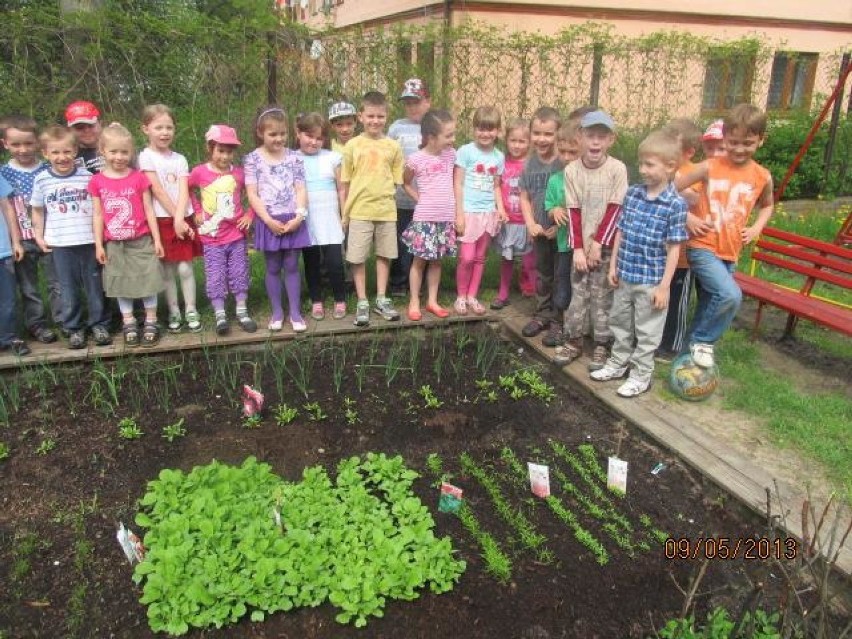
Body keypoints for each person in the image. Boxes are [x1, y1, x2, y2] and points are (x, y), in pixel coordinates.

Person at [589, 130, 688, 397]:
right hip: (625, 274)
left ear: (670, 167)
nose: (642, 169)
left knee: (647, 331)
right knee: (619, 322)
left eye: (649, 164)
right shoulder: (633, 194)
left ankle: (641, 375)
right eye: (641, 163)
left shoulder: (675, 204)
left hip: (651, 280)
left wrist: (664, 286)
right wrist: (613, 267)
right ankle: (618, 363)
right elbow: (620, 231)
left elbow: (674, 248)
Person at [675, 104, 774, 369]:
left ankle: (687, 358)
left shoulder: (762, 176)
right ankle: (703, 342)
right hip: (703, 246)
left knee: (710, 304)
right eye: (733, 142)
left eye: (748, 143)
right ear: (725, 139)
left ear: (761, 140)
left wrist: (756, 228)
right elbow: (668, 192)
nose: (739, 149)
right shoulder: (709, 167)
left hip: (731, 252)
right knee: (730, 295)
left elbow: (768, 205)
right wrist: (687, 217)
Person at [555, 109, 628, 370]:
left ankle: (601, 344)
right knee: (578, 295)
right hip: (580, 246)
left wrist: (598, 244)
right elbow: (573, 211)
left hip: (605, 247)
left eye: (602, 136)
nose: (595, 142)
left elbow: (615, 210)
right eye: (590, 136)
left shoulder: (617, 169)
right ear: (580, 137)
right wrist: (577, 249)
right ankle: (573, 340)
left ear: (611, 140)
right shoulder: (572, 170)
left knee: (602, 296)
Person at [30, 125, 110, 350]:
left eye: (66, 151)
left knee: (95, 285)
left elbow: (98, 209)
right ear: (45, 153)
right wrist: (39, 235)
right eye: (55, 152)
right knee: (67, 288)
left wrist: (99, 238)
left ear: (75, 151)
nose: (61, 157)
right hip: (61, 244)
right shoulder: (42, 180)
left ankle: (99, 323)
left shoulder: (88, 177)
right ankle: (74, 328)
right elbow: (37, 210)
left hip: (88, 241)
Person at [89, 124, 165, 348]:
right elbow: (98, 213)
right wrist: (98, 245)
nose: (119, 157)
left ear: (131, 153)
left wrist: (157, 239)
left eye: (124, 152)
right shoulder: (97, 181)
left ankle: (151, 320)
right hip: (115, 243)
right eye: (113, 151)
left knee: (148, 279)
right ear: (102, 151)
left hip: (141, 240)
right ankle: (129, 321)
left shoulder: (138, 178)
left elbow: (149, 209)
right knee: (121, 283)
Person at [244, 105, 311, 333]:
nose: (279, 138)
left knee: (292, 265)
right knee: (273, 266)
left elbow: (301, 188)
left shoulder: (294, 158)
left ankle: (295, 311)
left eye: (282, 133)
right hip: (268, 220)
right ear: (260, 133)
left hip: (292, 219)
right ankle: (277, 312)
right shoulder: (252, 159)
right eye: (273, 134)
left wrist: (299, 216)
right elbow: (252, 193)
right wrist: (267, 220)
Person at [341, 91, 404, 327]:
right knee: (357, 257)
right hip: (359, 211)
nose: (375, 121)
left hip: (386, 211)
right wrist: (344, 213)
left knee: (384, 254)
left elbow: (396, 180)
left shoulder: (393, 146)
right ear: (361, 116)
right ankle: (362, 301)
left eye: (380, 116)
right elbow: (346, 182)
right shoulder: (352, 146)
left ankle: (380, 298)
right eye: (370, 116)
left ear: (386, 116)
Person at [188, 124, 257, 336]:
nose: (225, 156)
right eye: (220, 151)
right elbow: (187, 189)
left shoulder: (239, 174)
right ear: (210, 148)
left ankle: (242, 310)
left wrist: (249, 215)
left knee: (239, 271)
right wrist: (196, 210)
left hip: (236, 234)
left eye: (229, 152)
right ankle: (220, 314)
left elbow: (255, 193)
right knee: (215, 275)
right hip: (212, 236)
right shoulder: (199, 172)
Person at [139, 104, 202, 333]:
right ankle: (174, 310)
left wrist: (181, 218)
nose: (164, 132)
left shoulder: (180, 159)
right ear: (145, 129)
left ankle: (191, 309)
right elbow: (157, 189)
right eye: (158, 127)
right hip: (162, 220)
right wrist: (176, 219)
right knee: (167, 270)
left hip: (182, 217)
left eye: (169, 127)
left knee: (185, 268)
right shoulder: (145, 157)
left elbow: (185, 189)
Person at [0, 116, 59, 343]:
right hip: (22, 239)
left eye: (28, 143)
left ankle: (64, 320)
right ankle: (37, 324)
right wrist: (14, 241)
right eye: (16, 144)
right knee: (29, 286)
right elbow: (6, 209)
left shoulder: (48, 167)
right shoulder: (4, 172)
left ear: (38, 144)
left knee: (57, 282)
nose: (23, 150)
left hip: (50, 235)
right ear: (5, 144)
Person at [401, 109, 457, 321]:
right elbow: (405, 182)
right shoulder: (416, 159)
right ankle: (414, 300)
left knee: (436, 261)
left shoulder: (451, 154)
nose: (453, 139)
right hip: (425, 218)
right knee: (420, 261)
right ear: (431, 137)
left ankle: (432, 301)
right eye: (448, 135)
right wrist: (419, 198)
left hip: (445, 217)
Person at [655, 117, 704, 361]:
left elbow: (692, 199)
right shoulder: (667, 170)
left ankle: (672, 344)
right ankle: (655, 338)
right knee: (658, 296)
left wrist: (666, 185)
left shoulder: (693, 172)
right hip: (661, 252)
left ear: (689, 151)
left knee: (677, 301)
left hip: (683, 255)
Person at [294, 112, 347, 321]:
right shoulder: (292, 158)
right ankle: (316, 300)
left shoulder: (332, 158)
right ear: (298, 133)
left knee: (335, 262)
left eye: (319, 138)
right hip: (306, 220)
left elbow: (342, 188)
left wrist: (344, 215)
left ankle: (340, 299)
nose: (314, 142)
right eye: (309, 136)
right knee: (311, 262)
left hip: (330, 219)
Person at [454, 105, 505, 316]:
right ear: (473, 129)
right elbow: (457, 184)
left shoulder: (498, 157)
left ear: (497, 131)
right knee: (466, 257)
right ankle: (460, 296)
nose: (485, 134)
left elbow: (496, 186)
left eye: (490, 129)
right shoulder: (465, 151)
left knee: (480, 258)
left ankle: (472, 296)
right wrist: (459, 214)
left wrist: (500, 209)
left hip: (488, 213)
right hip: (468, 212)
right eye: (481, 129)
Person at [519, 107, 564, 340]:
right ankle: (542, 314)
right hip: (538, 231)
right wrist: (530, 223)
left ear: (558, 134)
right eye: (536, 133)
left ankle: (558, 319)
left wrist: (560, 226)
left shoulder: (563, 162)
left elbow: (570, 197)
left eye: (548, 134)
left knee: (560, 275)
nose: (541, 139)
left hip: (560, 232)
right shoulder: (528, 163)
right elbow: (524, 196)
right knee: (542, 273)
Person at [388, 78, 432, 297]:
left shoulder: (434, 126)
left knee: (422, 241)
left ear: (428, 102)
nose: (412, 107)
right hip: (400, 197)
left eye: (417, 101)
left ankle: (420, 281)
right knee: (400, 241)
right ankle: (398, 282)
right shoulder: (397, 127)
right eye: (408, 103)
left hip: (427, 200)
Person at [544, 120, 582, 348]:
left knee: (582, 286)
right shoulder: (556, 179)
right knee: (562, 282)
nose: (567, 157)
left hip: (584, 245)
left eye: (573, 152)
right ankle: (557, 323)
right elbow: (549, 206)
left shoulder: (587, 178)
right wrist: (554, 211)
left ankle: (578, 328)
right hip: (563, 245)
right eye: (563, 151)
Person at [491, 117, 534, 309]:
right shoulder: (502, 162)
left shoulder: (532, 164)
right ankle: (503, 293)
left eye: (521, 141)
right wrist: (500, 210)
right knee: (507, 259)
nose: (516, 145)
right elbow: (497, 186)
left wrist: (533, 220)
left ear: (529, 142)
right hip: (508, 220)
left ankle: (531, 292)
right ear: (506, 140)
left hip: (526, 221)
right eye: (513, 140)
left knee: (529, 260)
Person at [0, 173, 30, 356]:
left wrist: (16, 242)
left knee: (8, 299)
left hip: (2, 250)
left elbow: (7, 207)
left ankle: (10, 337)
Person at [65, 100, 105, 174]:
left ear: (100, 124)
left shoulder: (115, 147)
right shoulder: (66, 155)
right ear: (70, 130)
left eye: (91, 125)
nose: (86, 130)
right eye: (79, 127)